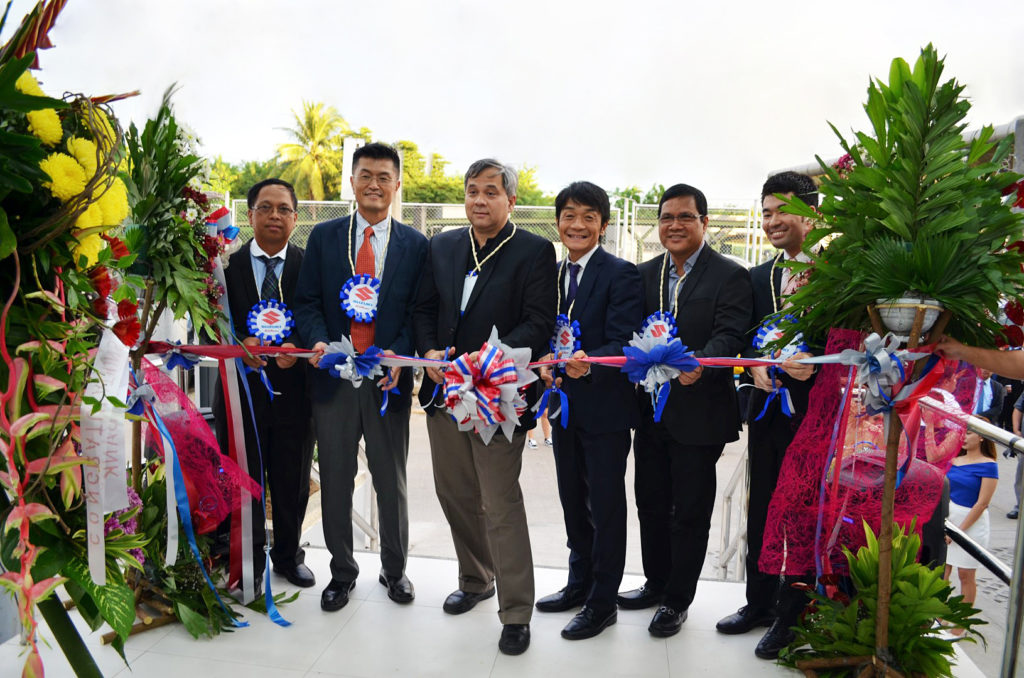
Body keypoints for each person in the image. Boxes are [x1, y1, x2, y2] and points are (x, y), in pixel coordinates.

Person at [412, 158, 556, 655]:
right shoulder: (444, 245)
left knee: (499, 502)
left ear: (510, 200)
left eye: (490, 192)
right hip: (444, 393)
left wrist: (488, 358)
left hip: (499, 397)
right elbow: (425, 308)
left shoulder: (535, 252)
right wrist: (430, 350)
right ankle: (475, 580)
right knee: (453, 493)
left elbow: (539, 323)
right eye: (472, 191)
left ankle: (516, 611)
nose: (479, 200)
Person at [293, 142, 428, 611]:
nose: (374, 184)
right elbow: (307, 302)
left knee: (391, 479)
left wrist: (401, 355)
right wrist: (317, 341)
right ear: (352, 182)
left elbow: (420, 310)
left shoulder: (415, 244)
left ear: (396, 184)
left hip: (388, 382)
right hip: (334, 378)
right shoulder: (325, 238)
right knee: (335, 476)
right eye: (365, 175)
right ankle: (342, 572)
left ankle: (395, 571)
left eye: (384, 177)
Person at [616, 183, 753, 638]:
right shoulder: (643, 274)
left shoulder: (729, 275)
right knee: (650, 502)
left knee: (689, 510)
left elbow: (731, 334)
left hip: (700, 413)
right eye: (667, 217)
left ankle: (677, 600)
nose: (674, 225)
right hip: (650, 411)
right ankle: (656, 583)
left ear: (704, 223)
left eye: (685, 217)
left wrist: (701, 364)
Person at [533, 181, 643, 640]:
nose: (577, 225)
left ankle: (602, 601)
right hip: (562, 407)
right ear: (558, 221)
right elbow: (543, 330)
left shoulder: (621, 273)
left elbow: (624, 340)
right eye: (569, 215)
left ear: (603, 223)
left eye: (588, 217)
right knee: (572, 501)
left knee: (605, 504)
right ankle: (578, 583)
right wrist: (544, 363)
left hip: (605, 409)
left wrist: (587, 363)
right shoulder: (550, 274)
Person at [715, 172, 817, 659]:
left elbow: (854, 345)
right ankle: (757, 600)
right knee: (762, 506)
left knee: (803, 510)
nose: (773, 221)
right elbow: (740, 340)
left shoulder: (841, 275)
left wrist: (812, 364)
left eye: (781, 211)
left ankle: (793, 614)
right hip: (768, 414)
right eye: (766, 213)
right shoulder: (757, 277)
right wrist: (751, 367)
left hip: (819, 415)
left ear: (812, 213)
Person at [213, 178, 315, 590]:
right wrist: (239, 341)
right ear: (250, 214)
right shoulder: (223, 270)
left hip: (295, 391)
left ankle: (289, 556)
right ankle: (248, 557)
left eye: (283, 209)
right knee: (242, 476)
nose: (275, 215)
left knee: (292, 478)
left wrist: (302, 345)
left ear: (295, 217)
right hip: (241, 395)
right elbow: (209, 322)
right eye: (266, 207)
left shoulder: (310, 267)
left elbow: (319, 317)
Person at [944, 423, 998, 634]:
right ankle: (939, 615)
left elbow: (982, 502)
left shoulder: (989, 465)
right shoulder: (954, 460)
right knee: (942, 572)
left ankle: (961, 623)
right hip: (948, 519)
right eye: (962, 432)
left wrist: (958, 531)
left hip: (971, 524)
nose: (964, 437)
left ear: (982, 437)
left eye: (969, 432)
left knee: (966, 574)